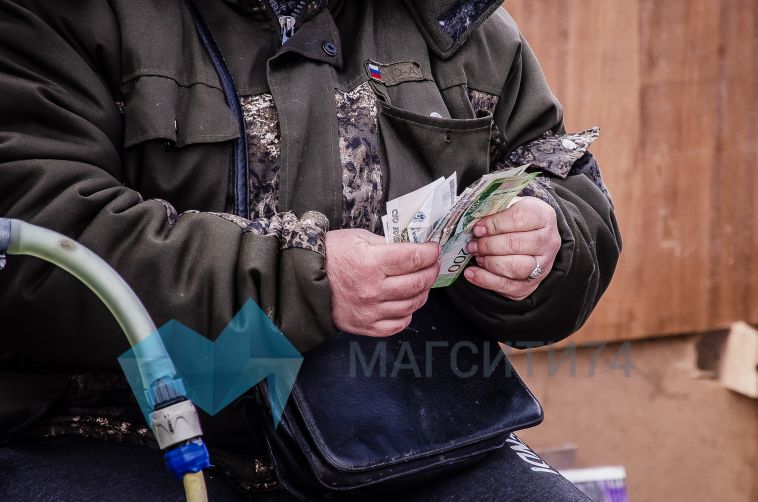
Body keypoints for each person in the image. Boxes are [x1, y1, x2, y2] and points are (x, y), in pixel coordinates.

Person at [0, 0, 621, 500]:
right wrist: (299, 279)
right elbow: (40, 232)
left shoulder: (455, 17)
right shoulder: (63, 15)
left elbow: (557, 170)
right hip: (115, 428)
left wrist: (547, 239)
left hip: (402, 425)